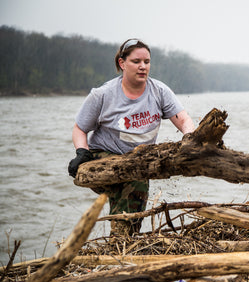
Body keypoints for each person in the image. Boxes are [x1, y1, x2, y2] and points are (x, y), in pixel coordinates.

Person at [68, 38, 195, 236]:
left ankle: (123, 241)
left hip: (139, 159)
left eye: (147, 61)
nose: (143, 66)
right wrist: (81, 152)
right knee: (135, 177)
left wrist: (190, 141)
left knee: (134, 184)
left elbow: (184, 120)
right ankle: (122, 241)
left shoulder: (159, 91)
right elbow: (79, 128)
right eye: (136, 61)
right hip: (102, 156)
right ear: (122, 63)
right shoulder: (102, 95)